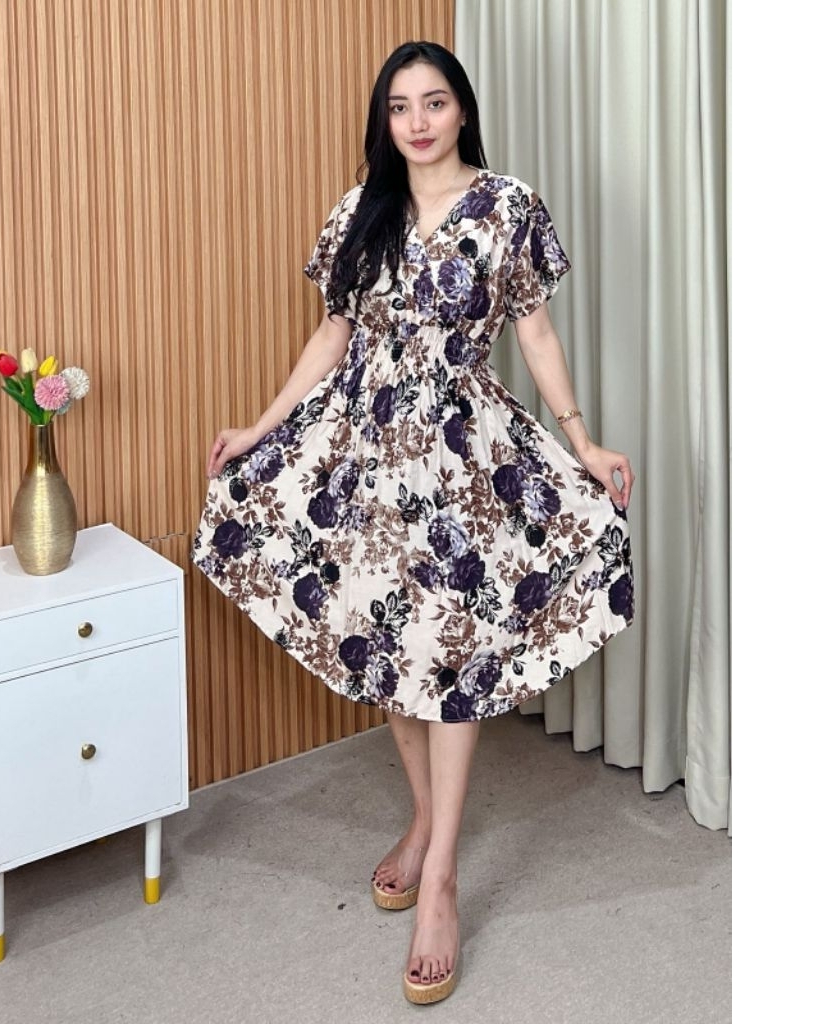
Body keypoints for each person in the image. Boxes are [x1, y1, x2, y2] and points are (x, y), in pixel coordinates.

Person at [192, 40, 634, 1006]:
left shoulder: (509, 206)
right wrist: (261, 426)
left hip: (462, 454)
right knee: (387, 642)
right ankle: (427, 820)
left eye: (434, 102)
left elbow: (534, 330)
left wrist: (582, 440)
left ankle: (441, 881)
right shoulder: (361, 209)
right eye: (400, 107)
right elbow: (333, 333)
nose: (418, 121)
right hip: (365, 449)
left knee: (452, 652)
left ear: (462, 110)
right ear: (384, 121)